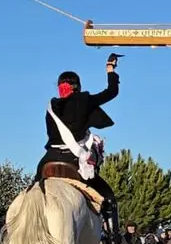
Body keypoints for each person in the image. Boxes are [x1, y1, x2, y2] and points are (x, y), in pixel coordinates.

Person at [35, 56, 121, 232]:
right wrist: (110, 69)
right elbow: (112, 91)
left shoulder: (51, 105)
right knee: (109, 198)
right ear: (78, 86)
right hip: (74, 159)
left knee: (33, 191)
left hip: (49, 158)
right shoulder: (84, 100)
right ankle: (115, 239)